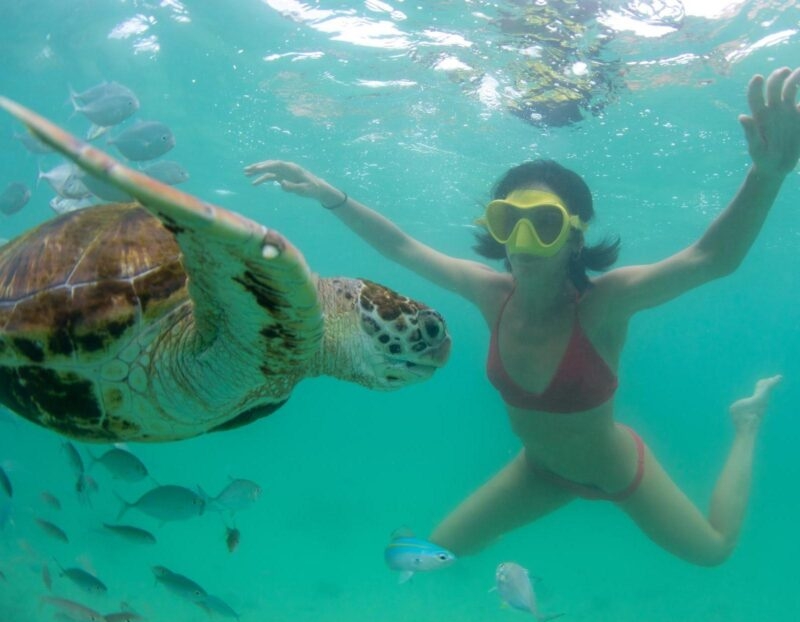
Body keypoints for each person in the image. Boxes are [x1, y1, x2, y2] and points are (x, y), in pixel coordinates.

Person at [244, 67, 799, 566]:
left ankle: (746, 424)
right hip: (539, 471)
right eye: (510, 220)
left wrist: (768, 174)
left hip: (616, 468)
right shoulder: (492, 294)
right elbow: (404, 249)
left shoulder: (606, 304)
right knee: (435, 553)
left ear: (576, 237)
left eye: (546, 223)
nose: (525, 240)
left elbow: (711, 259)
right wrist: (328, 196)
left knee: (714, 551)